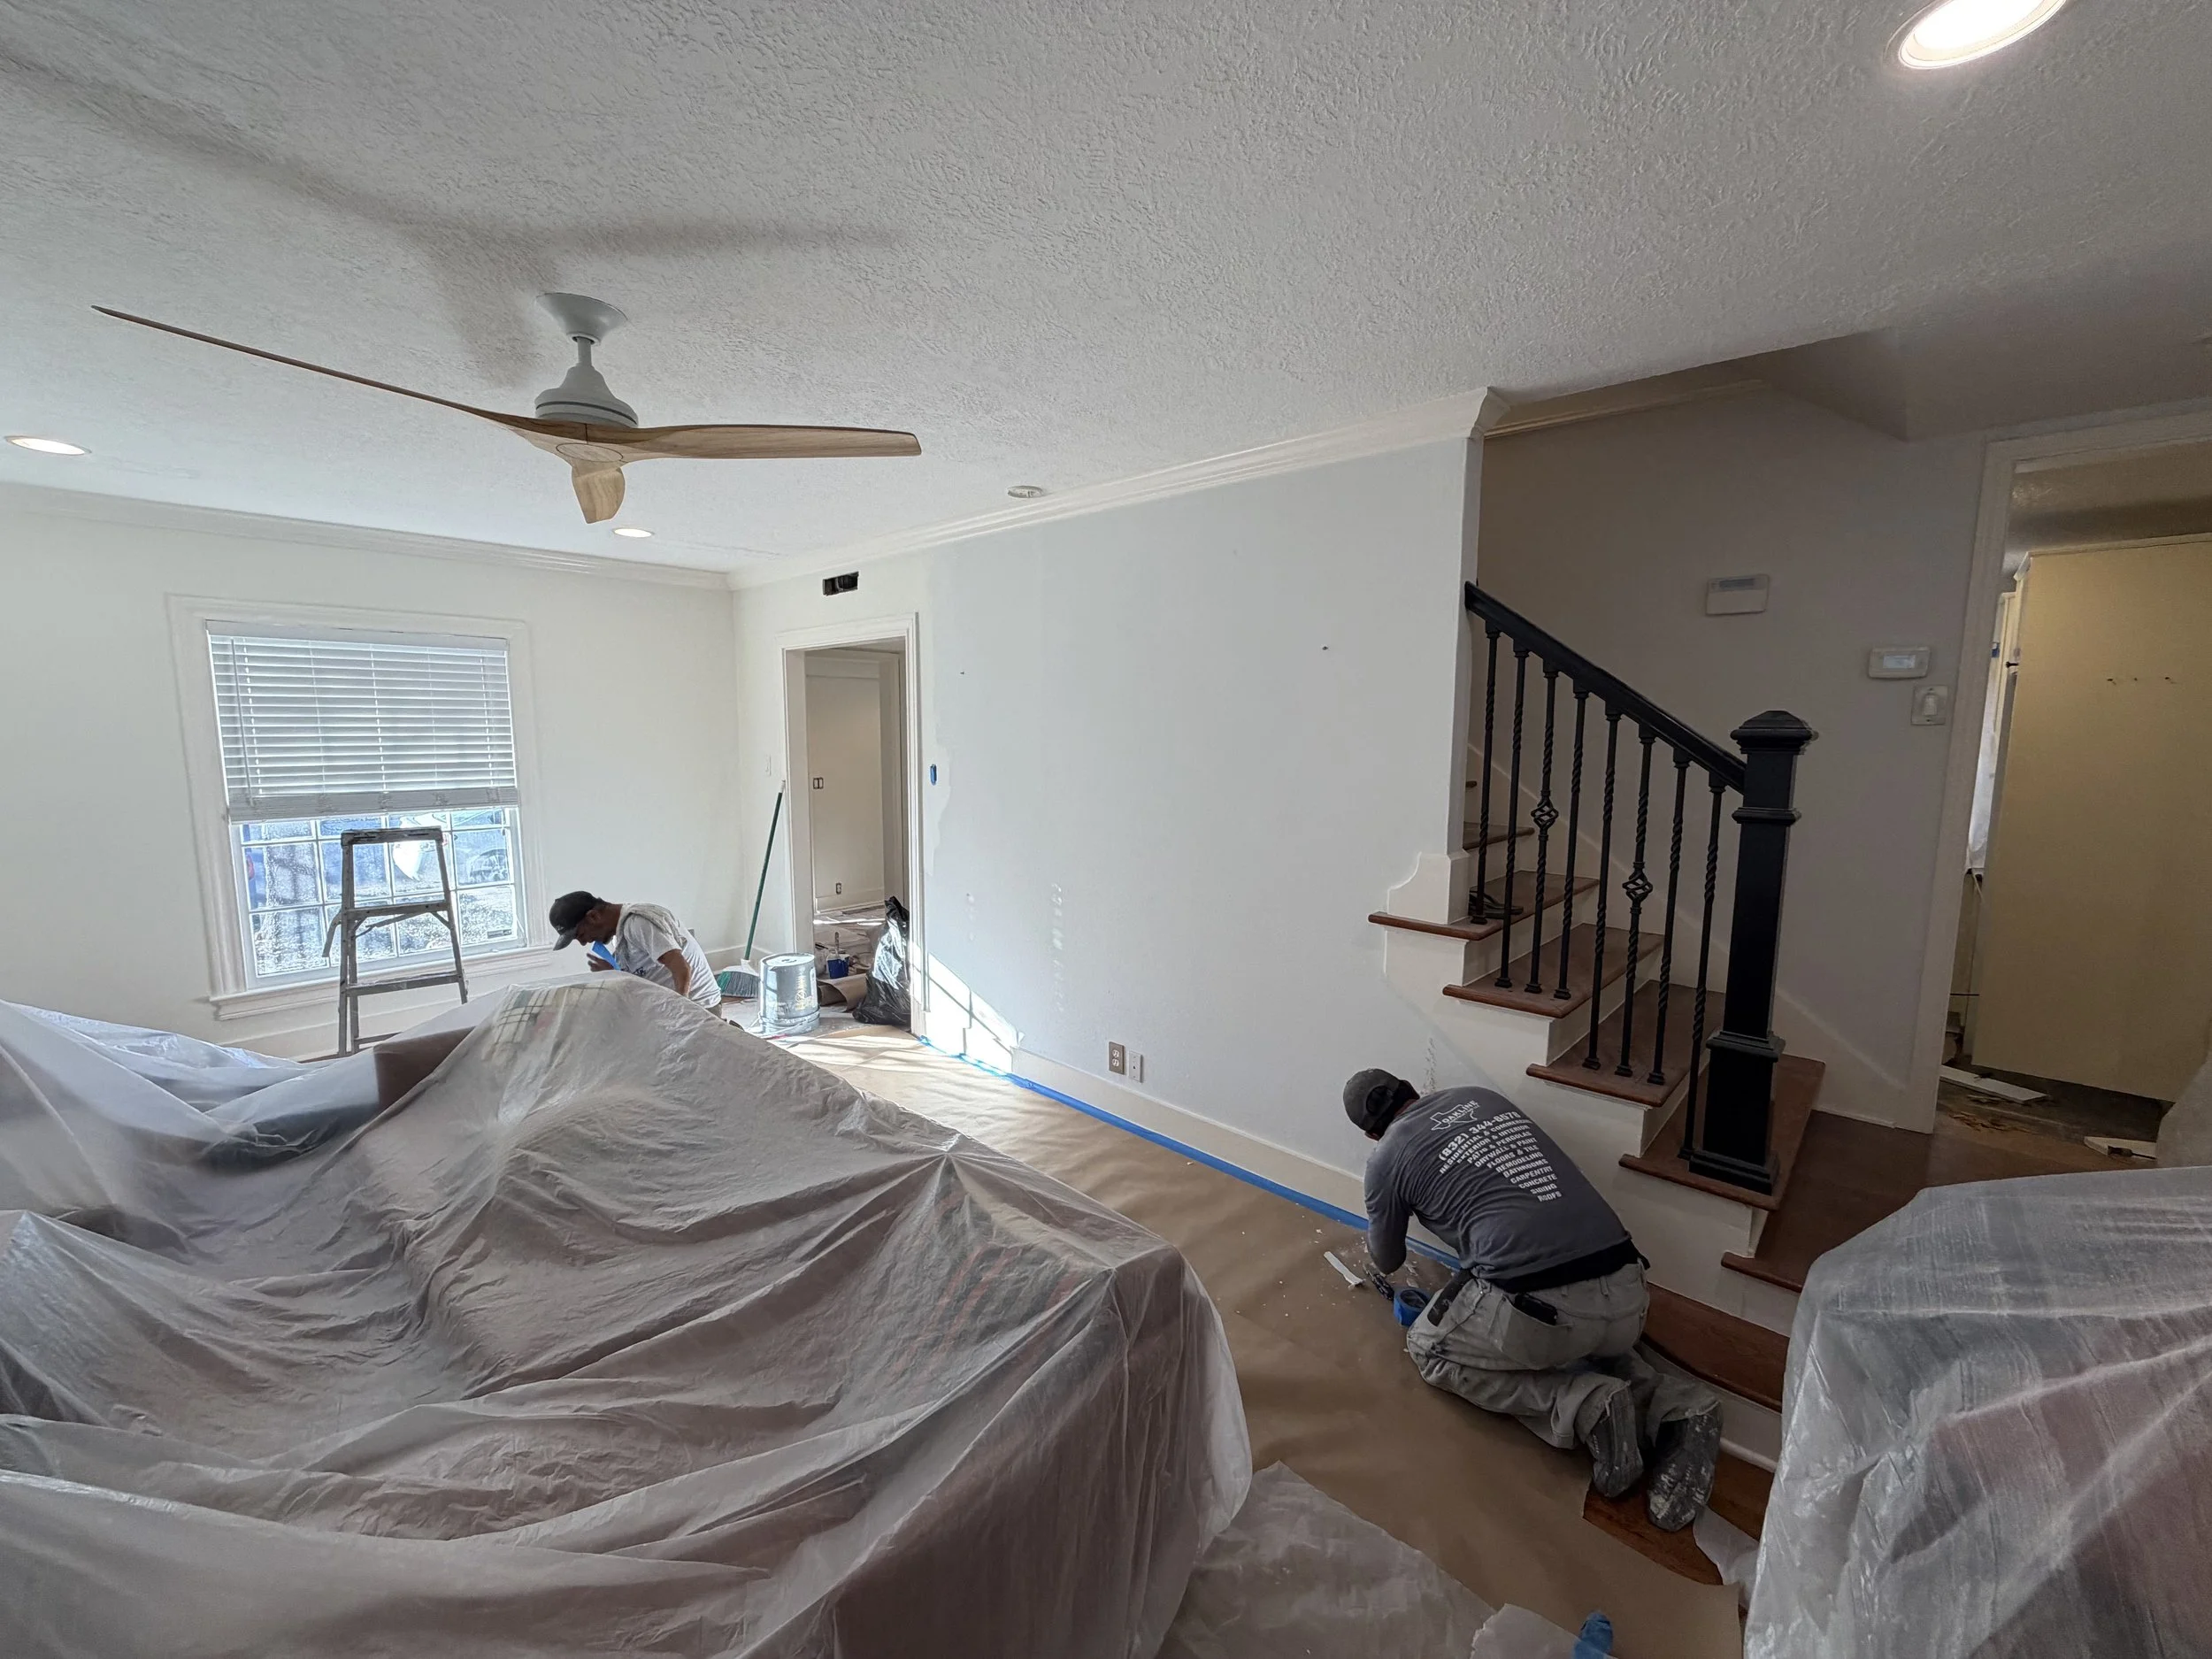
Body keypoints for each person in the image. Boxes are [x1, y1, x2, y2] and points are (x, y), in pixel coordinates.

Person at [1345, 1067, 1720, 1531]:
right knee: (1585, 1332)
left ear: (1369, 1132)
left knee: (1428, 1347)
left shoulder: (1386, 1156)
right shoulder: (1478, 1095)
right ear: (1413, 1089)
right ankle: (1680, 1405)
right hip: (1629, 1292)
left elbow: (1386, 1259)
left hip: (1546, 1315)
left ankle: (1587, 1406)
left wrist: (1394, 1195)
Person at [549, 891, 722, 1010]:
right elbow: (645, 972)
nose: (584, 943)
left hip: (700, 1007)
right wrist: (615, 972)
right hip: (669, 1005)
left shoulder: (639, 923)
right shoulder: (620, 934)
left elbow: (681, 967)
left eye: (581, 935)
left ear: (593, 916)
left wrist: (682, 1011)